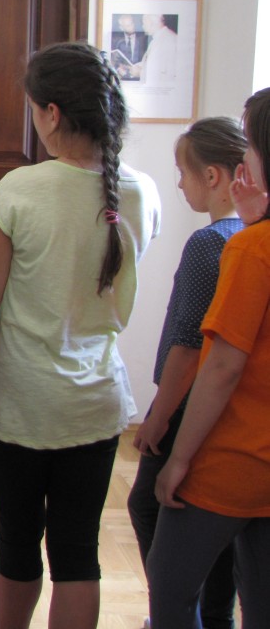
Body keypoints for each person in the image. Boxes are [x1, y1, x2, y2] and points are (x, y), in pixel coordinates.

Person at [0, 42, 161, 629]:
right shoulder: (141, 191)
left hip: (20, 400)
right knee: (79, 552)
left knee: (16, 544)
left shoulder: (19, 189)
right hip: (96, 400)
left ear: (52, 113)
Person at [148, 88, 270, 629]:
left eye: (251, 143)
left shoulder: (248, 248)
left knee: (172, 588)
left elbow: (221, 366)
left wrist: (178, 459)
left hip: (231, 460)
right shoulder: (249, 237)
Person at [127, 118, 246, 629]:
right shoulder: (250, 235)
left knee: (149, 504)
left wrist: (158, 416)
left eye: (183, 172)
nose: (179, 183)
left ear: (213, 176)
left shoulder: (209, 243)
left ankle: (176, 612)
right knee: (218, 528)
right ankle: (213, 615)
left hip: (186, 405)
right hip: (231, 414)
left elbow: (189, 345)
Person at [133, 14, 178, 86]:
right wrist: (137, 66)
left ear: (151, 23)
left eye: (143, 23)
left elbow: (166, 74)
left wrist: (140, 73)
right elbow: (152, 63)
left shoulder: (168, 40)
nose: (143, 26)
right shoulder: (159, 38)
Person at [111, 14, 147, 80]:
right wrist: (118, 69)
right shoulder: (115, 40)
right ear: (121, 28)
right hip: (122, 78)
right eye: (128, 26)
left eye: (132, 23)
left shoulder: (143, 38)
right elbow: (113, 61)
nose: (132, 27)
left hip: (139, 78)